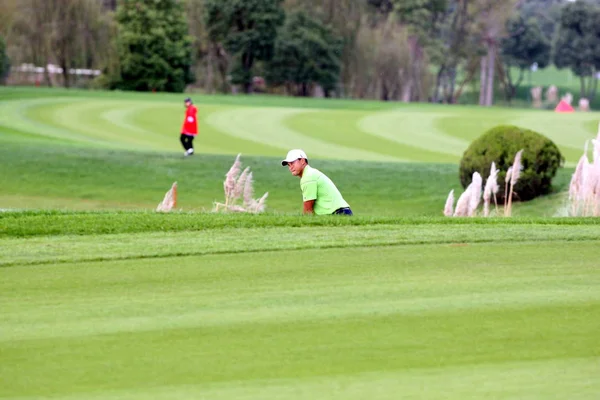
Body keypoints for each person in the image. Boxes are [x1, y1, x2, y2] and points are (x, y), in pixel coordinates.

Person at [281, 149, 353, 215]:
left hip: (339, 213)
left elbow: (308, 211)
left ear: (302, 161)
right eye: (288, 165)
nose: (290, 167)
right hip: (341, 212)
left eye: (292, 163)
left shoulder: (308, 177)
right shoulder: (310, 173)